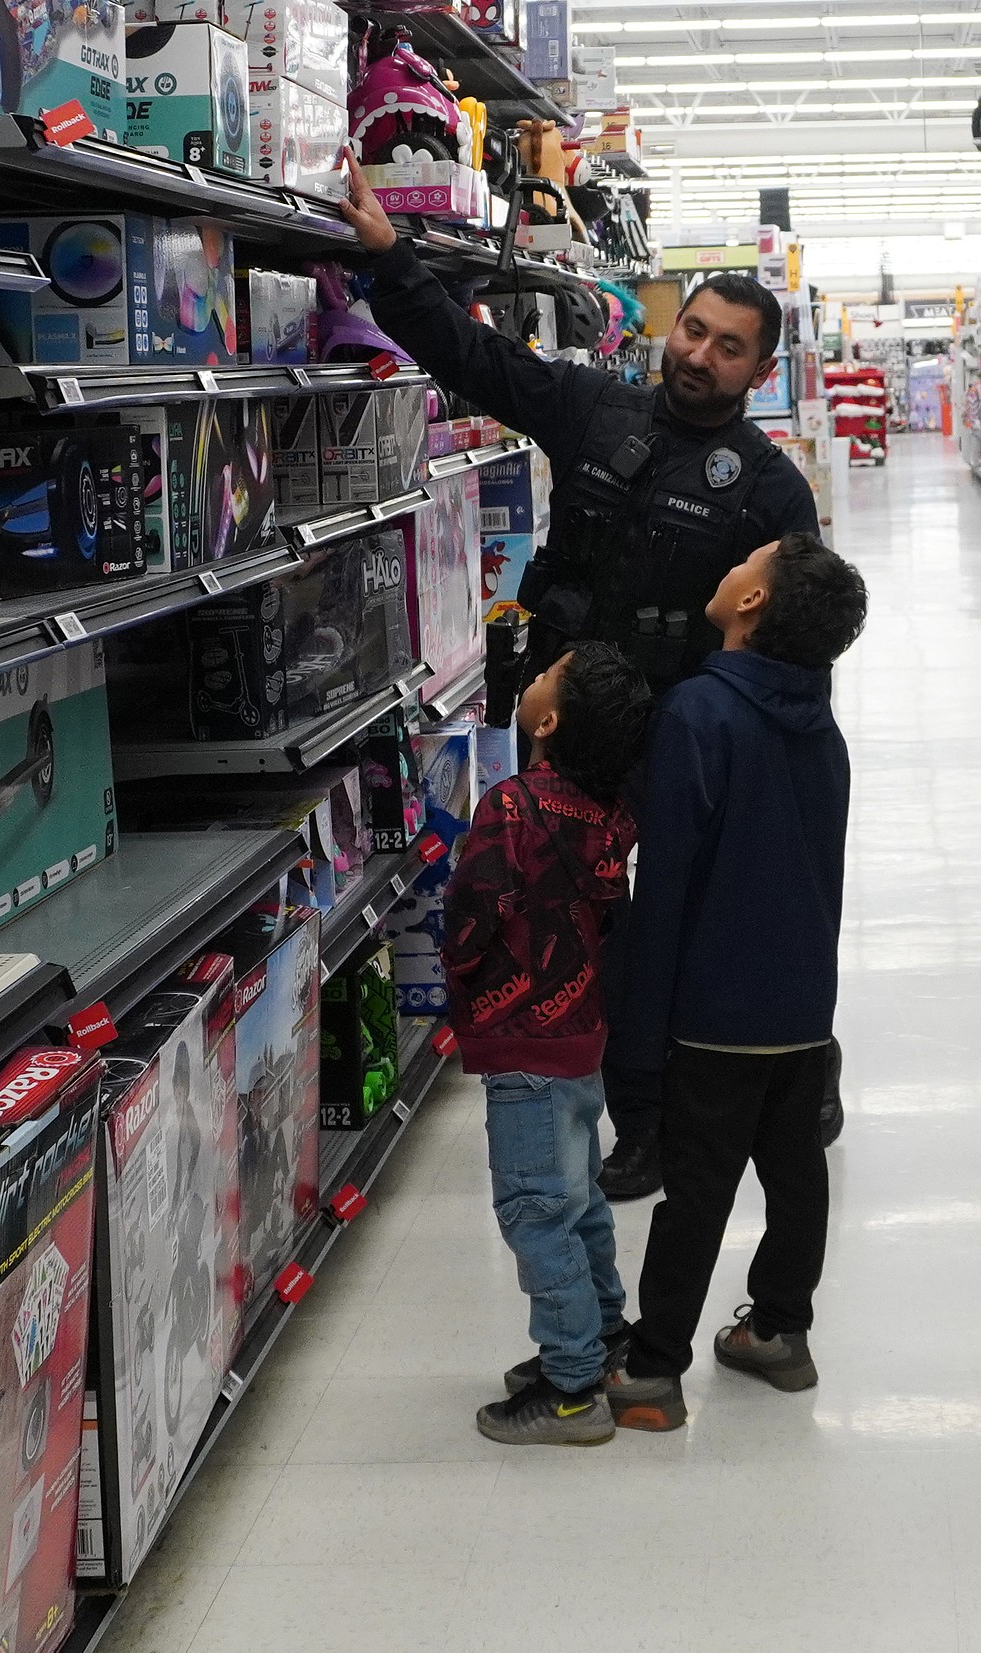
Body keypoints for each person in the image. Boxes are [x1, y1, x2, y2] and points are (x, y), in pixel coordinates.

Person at [339, 150, 837, 1203]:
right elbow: (472, 355)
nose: (698, 353)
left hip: (685, 735)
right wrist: (390, 258)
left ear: (759, 373)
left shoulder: (770, 491)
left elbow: (799, 639)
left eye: (728, 347)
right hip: (567, 716)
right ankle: (590, 1096)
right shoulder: (591, 407)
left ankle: (662, 1116)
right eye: (693, 330)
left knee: (671, 928)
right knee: (571, 920)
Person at [604, 533, 867, 1432]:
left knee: (696, 1189)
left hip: (713, 1011)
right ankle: (781, 1331)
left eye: (746, 562)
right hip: (802, 1003)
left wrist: (639, 1039)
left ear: (752, 603)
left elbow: (667, 883)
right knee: (797, 1172)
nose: (730, 567)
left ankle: (652, 1369)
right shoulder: (822, 727)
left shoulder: (697, 714)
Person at [440, 640, 651, 1446]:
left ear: (549, 722)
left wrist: (463, 973)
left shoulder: (510, 807)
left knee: (535, 1210)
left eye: (544, 677)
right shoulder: (611, 813)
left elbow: (472, 914)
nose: (528, 678)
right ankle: (603, 1334)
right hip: (580, 1034)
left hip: (523, 1039)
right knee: (579, 1195)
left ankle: (570, 1386)